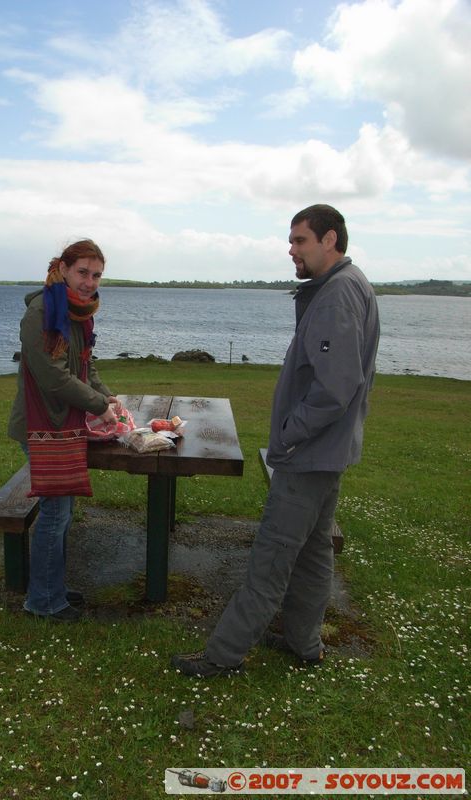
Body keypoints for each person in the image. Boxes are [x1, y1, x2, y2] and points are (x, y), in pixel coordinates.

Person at [171, 204, 380, 676]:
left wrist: (288, 434)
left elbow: (335, 388)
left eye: (299, 240)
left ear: (330, 240)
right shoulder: (348, 286)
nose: (291, 250)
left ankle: (222, 656)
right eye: (291, 242)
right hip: (327, 456)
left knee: (271, 557)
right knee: (312, 554)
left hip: (309, 456)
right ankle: (303, 642)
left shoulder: (338, 294)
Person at [8, 239, 118, 622]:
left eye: (97, 274)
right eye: (83, 272)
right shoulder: (42, 312)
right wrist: (99, 405)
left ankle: (52, 588)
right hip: (42, 426)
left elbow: (86, 365)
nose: (90, 282)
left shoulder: (79, 314)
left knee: (62, 514)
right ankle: (42, 601)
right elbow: (54, 378)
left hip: (63, 426)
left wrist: (107, 397)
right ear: (64, 269)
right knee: (55, 515)